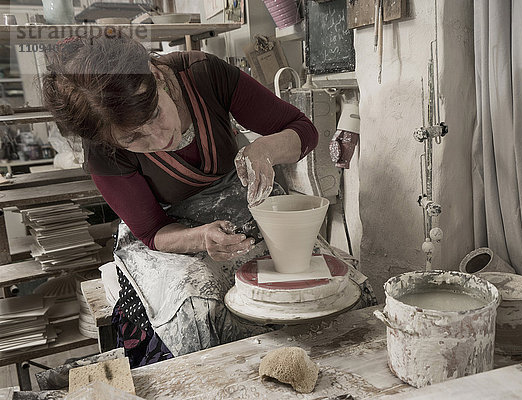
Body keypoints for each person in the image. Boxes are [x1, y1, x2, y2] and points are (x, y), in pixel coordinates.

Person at [42, 34, 320, 367]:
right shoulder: (102, 146)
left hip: (245, 201)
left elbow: (303, 129)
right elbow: (152, 230)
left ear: (156, 76)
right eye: (134, 138)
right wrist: (200, 238)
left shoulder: (203, 73)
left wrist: (265, 149)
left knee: (317, 287)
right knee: (200, 305)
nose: (160, 138)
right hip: (171, 229)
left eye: (156, 114)